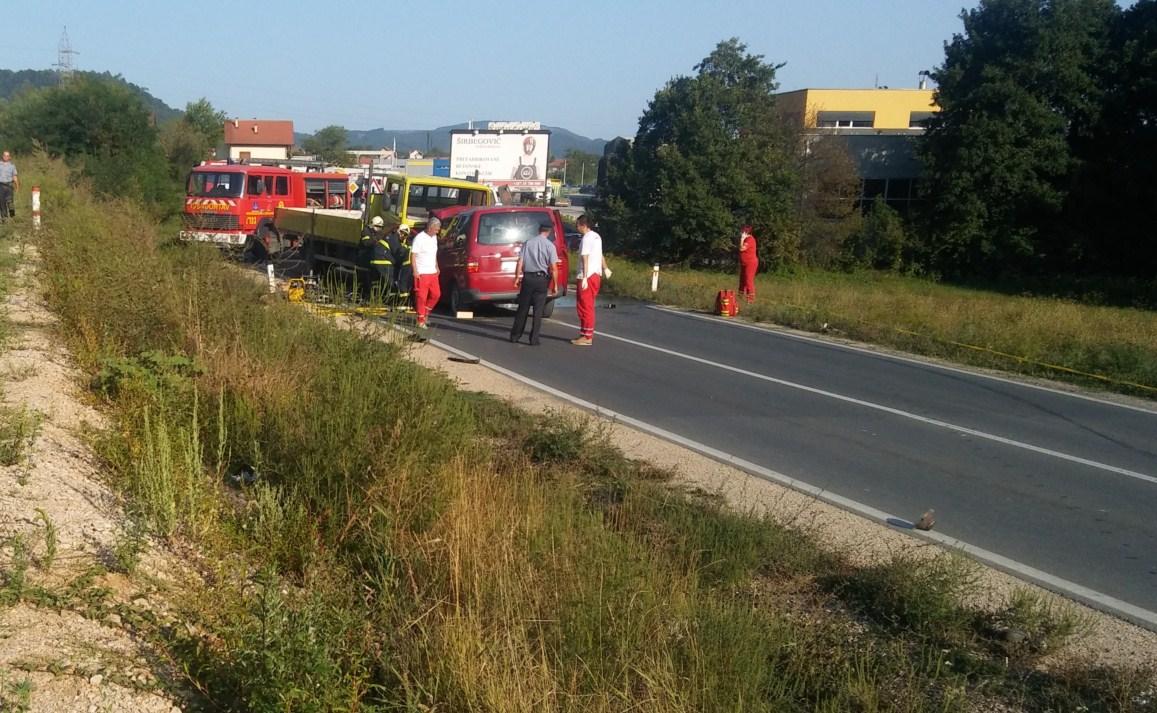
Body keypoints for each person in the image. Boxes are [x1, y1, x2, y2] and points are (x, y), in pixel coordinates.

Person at [510, 223, 561, 346]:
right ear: (549, 232)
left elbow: (520, 261)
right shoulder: (550, 246)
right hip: (541, 280)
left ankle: (515, 336)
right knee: (538, 311)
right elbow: (554, 268)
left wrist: (517, 277)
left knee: (523, 308)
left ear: (539, 230)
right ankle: (534, 339)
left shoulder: (528, 243)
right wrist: (555, 285)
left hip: (528, 278)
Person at [572, 214, 610, 346]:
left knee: (585, 306)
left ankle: (587, 336)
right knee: (585, 304)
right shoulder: (596, 236)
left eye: (577, 225)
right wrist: (605, 268)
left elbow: (585, 257)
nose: (576, 227)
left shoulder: (587, 238)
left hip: (587, 275)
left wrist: (585, 277)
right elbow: (600, 255)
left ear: (583, 225)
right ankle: (584, 333)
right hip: (595, 274)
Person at [410, 217, 442, 329]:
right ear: (430, 227)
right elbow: (413, 255)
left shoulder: (434, 238)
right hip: (422, 272)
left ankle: (426, 313)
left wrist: (437, 266)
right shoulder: (419, 238)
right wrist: (415, 270)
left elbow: (434, 254)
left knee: (436, 294)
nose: (437, 231)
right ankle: (420, 320)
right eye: (436, 229)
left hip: (432, 272)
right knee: (421, 297)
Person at [738, 224, 759, 303]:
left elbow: (741, 248)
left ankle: (750, 300)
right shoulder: (746, 239)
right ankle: (740, 298)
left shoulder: (750, 239)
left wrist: (742, 239)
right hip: (744, 263)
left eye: (742, 231)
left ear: (745, 232)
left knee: (748, 281)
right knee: (742, 281)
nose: (740, 232)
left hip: (750, 263)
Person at [0, 151, 18, 222]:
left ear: (9, 157)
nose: (6, 157)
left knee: (10, 202)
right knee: (2, 202)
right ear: (2, 156)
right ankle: (4, 218)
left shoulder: (12, 166)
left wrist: (17, 186)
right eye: (4, 155)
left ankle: (12, 215)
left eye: (7, 156)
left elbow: (15, 177)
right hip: (1, 185)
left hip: (9, 186)